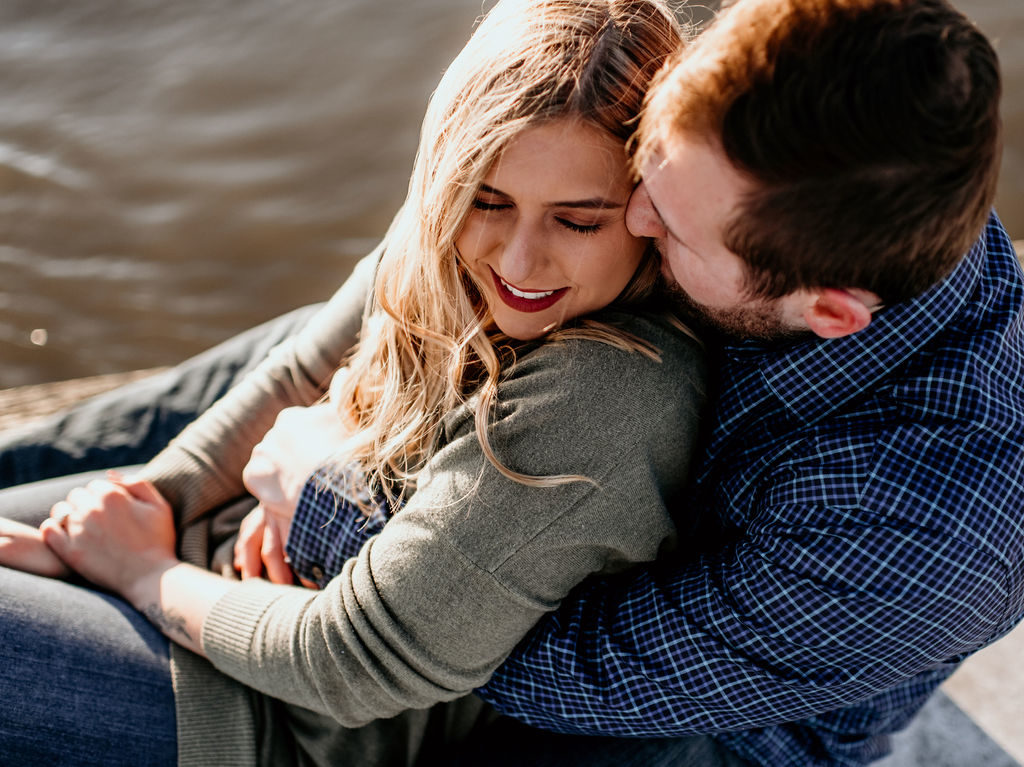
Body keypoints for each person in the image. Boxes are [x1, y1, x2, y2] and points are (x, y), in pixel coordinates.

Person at [1, 0, 1019, 766]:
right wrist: (157, 503)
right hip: (398, 558)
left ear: (828, 308)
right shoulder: (764, 178)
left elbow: (526, 661)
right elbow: (327, 350)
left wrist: (325, 494)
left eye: (637, 216)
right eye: (646, 175)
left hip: (678, 724)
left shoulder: (919, 522)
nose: (640, 225)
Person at [0, 1, 709, 766]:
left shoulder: (604, 400)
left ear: (647, 208)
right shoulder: (438, 231)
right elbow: (300, 371)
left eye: (578, 221)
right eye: (487, 201)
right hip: (200, 562)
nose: (518, 261)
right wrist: (135, 514)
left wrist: (139, 570)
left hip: (261, 710)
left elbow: (351, 663)